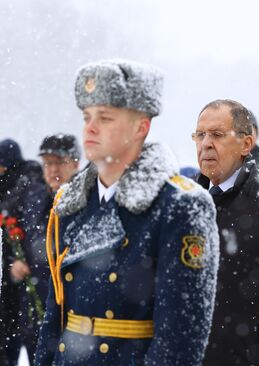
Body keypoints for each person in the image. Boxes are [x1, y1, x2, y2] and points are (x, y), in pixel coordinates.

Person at [34, 59, 219, 366]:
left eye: (105, 118)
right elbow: (56, 316)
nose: (90, 127)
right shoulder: (71, 202)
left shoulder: (181, 205)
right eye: (86, 116)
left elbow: (180, 338)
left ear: (140, 128)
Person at [194, 99, 259, 365]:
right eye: (200, 135)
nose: (205, 144)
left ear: (246, 145)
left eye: (217, 135)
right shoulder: (183, 201)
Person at [7, 134, 80, 365]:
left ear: (76, 163)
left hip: (74, 318)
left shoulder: (88, 199)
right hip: (34, 311)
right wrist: (13, 262)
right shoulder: (33, 197)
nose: (52, 169)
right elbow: (14, 237)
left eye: (59, 162)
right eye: (47, 163)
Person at [0, 138, 44, 366]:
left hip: (29, 280)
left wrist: (25, 262)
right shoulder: (12, 188)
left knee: (33, 340)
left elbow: (35, 231)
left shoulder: (30, 187)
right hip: (13, 281)